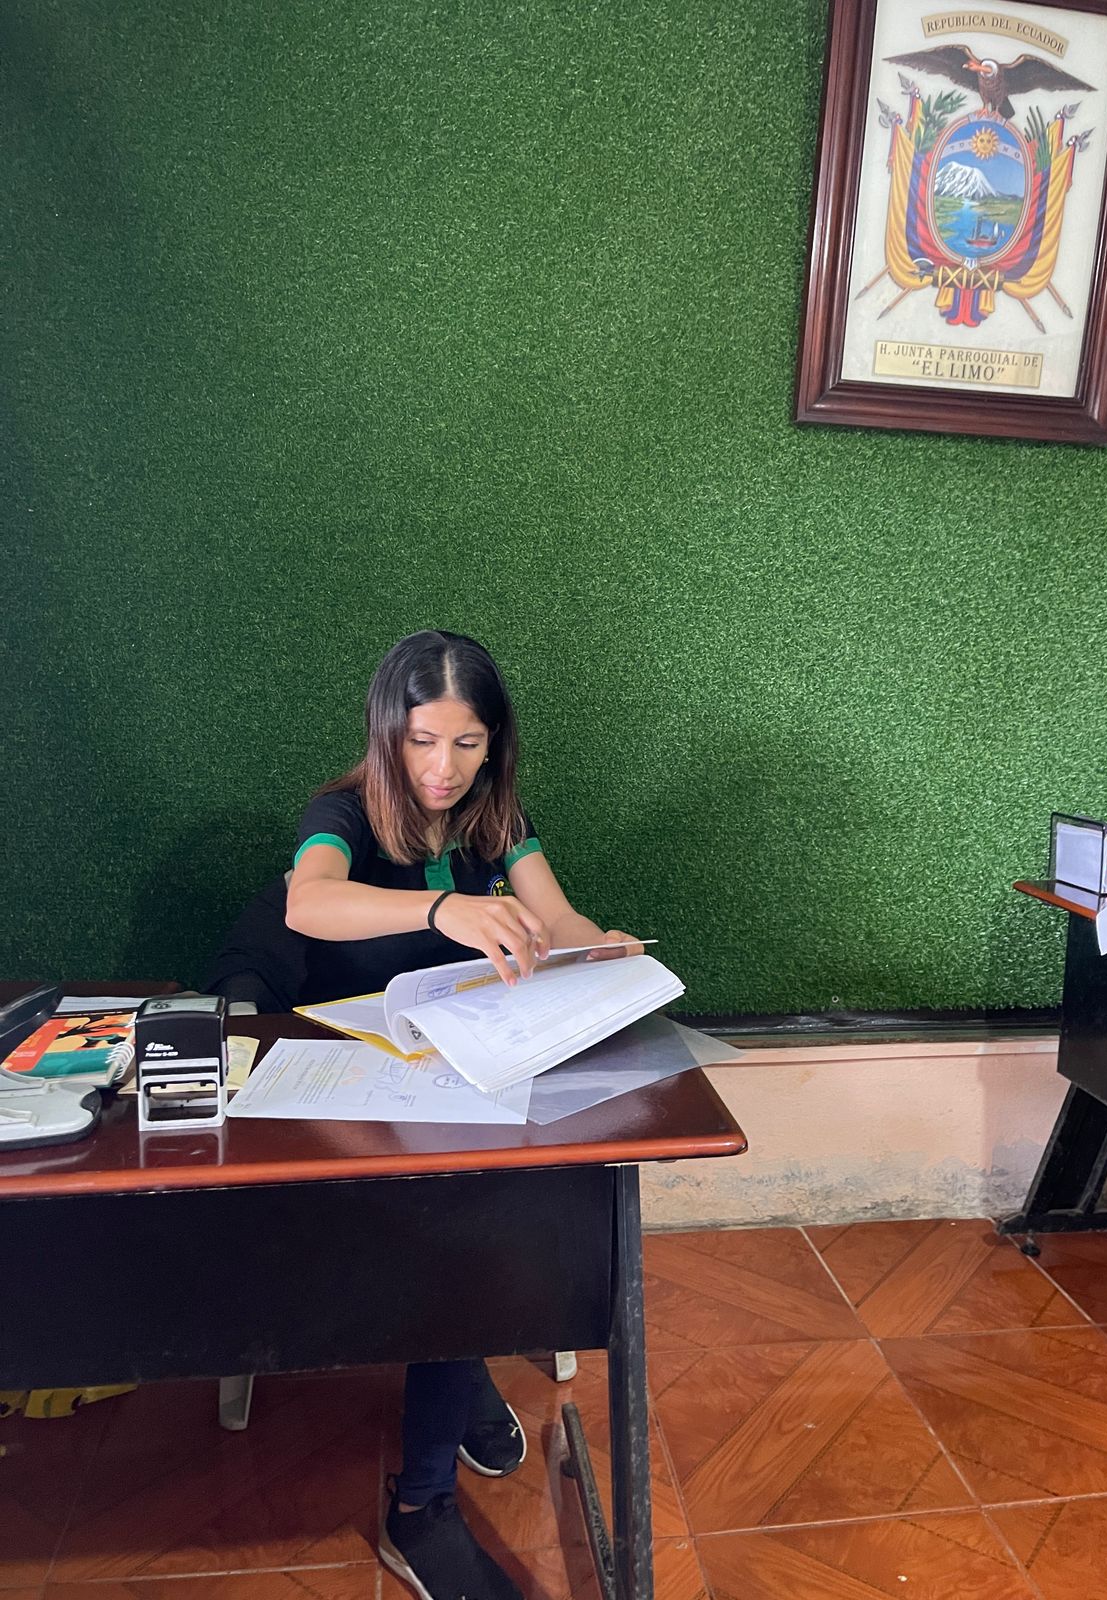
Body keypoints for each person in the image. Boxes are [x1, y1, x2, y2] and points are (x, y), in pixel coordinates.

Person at [284, 629, 639, 1600]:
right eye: (422, 742)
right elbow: (309, 903)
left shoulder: (496, 814)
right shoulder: (343, 812)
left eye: (468, 743)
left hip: (460, 1076)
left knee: (509, 1212)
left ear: (495, 742)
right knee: (459, 1239)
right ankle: (422, 1507)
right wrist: (442, 912)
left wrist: (595, 947)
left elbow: (554, 916)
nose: (444, 768)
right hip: (352, 1089)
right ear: (388, 736)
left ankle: (459, 1358)